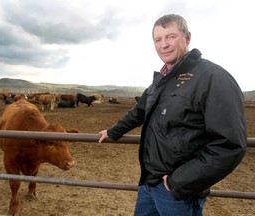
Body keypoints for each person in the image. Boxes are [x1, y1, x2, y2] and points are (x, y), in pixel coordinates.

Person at [98, 14, 247, 216]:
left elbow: (229, 145)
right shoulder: (162, 79)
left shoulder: (213, 77)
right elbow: (140, 111)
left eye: (171, 36)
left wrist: (179, 181)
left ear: (187, 38)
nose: (164, 45)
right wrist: (113, 131)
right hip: (149, 183)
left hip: (178, 192)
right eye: (158, 39)